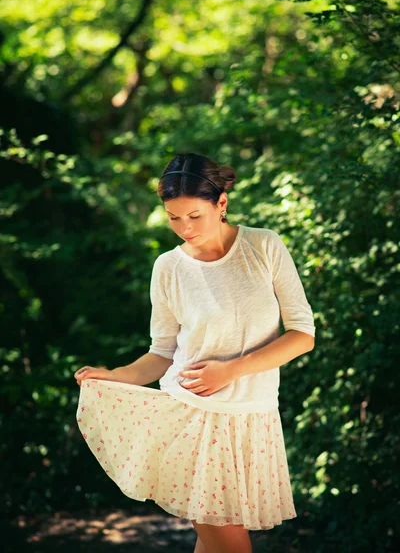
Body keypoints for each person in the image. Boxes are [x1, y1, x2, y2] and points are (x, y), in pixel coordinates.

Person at [75, 153, 315, 553]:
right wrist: (116, 373)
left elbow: (303, 334)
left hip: (252, 420)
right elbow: (162, 352)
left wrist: (232, 370)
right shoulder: (168, 268)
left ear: (221, 204)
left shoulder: (263, 246)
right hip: (190, 419)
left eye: (194, 216)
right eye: (173, 217)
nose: (184, 228)